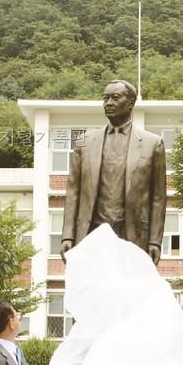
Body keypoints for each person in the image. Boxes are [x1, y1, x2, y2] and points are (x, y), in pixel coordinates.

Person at [61, 79, 167, 264]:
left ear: (131, 103)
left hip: (132, 233)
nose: (109, 103)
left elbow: (158, 198)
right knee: (91, 287)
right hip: (91, 232)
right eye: (105, 98)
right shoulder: (84, 142)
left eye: (115, 98)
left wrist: (155, 241)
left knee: (129, 289)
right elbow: (73, 192)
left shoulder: (152, 143)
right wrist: (67, 236)